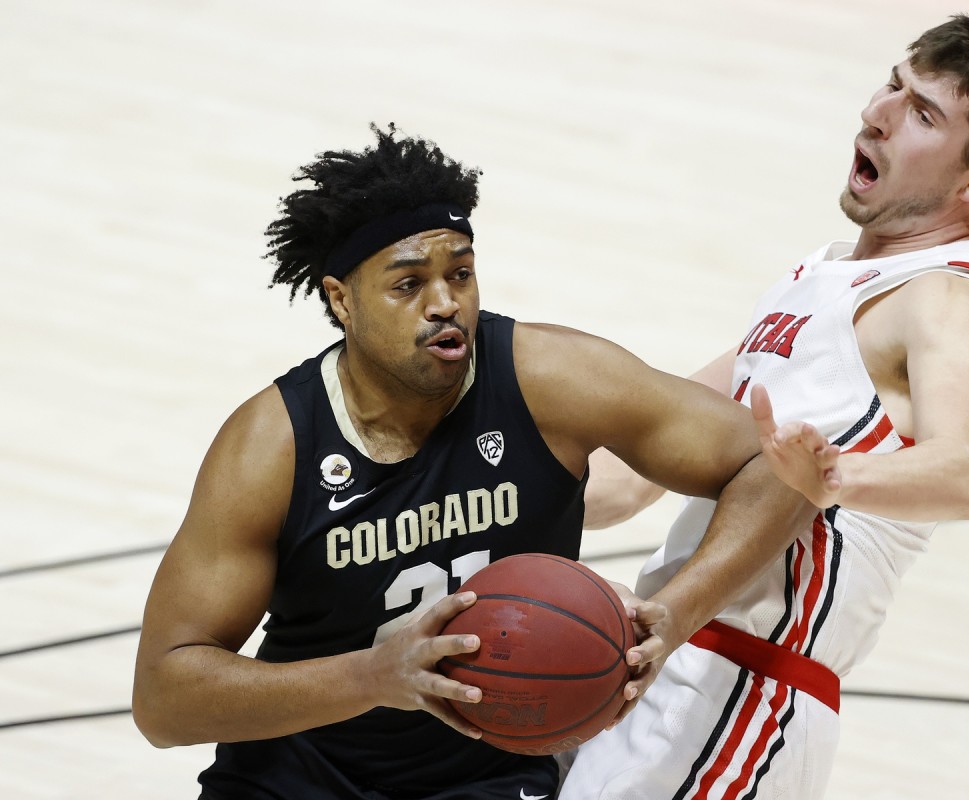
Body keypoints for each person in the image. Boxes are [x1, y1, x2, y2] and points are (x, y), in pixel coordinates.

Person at [130, 125, 816, 799]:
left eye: (460, 273)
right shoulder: (273, 447)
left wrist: (675, 615)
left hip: (488, 775)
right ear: (341, 298)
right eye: (407, 285)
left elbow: (775, 463)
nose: (444, 304)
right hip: (295, 776)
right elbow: (164, 701)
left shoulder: (547, 379)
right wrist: (374, 676)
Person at [558, 13, 969, 800]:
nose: (879, 113)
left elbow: (962, 473)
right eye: (895, 84)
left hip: (745, 698)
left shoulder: (949, 298)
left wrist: (832, 475)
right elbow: (629, 478)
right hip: (656, 658)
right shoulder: (821, 277)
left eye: (923, 113)